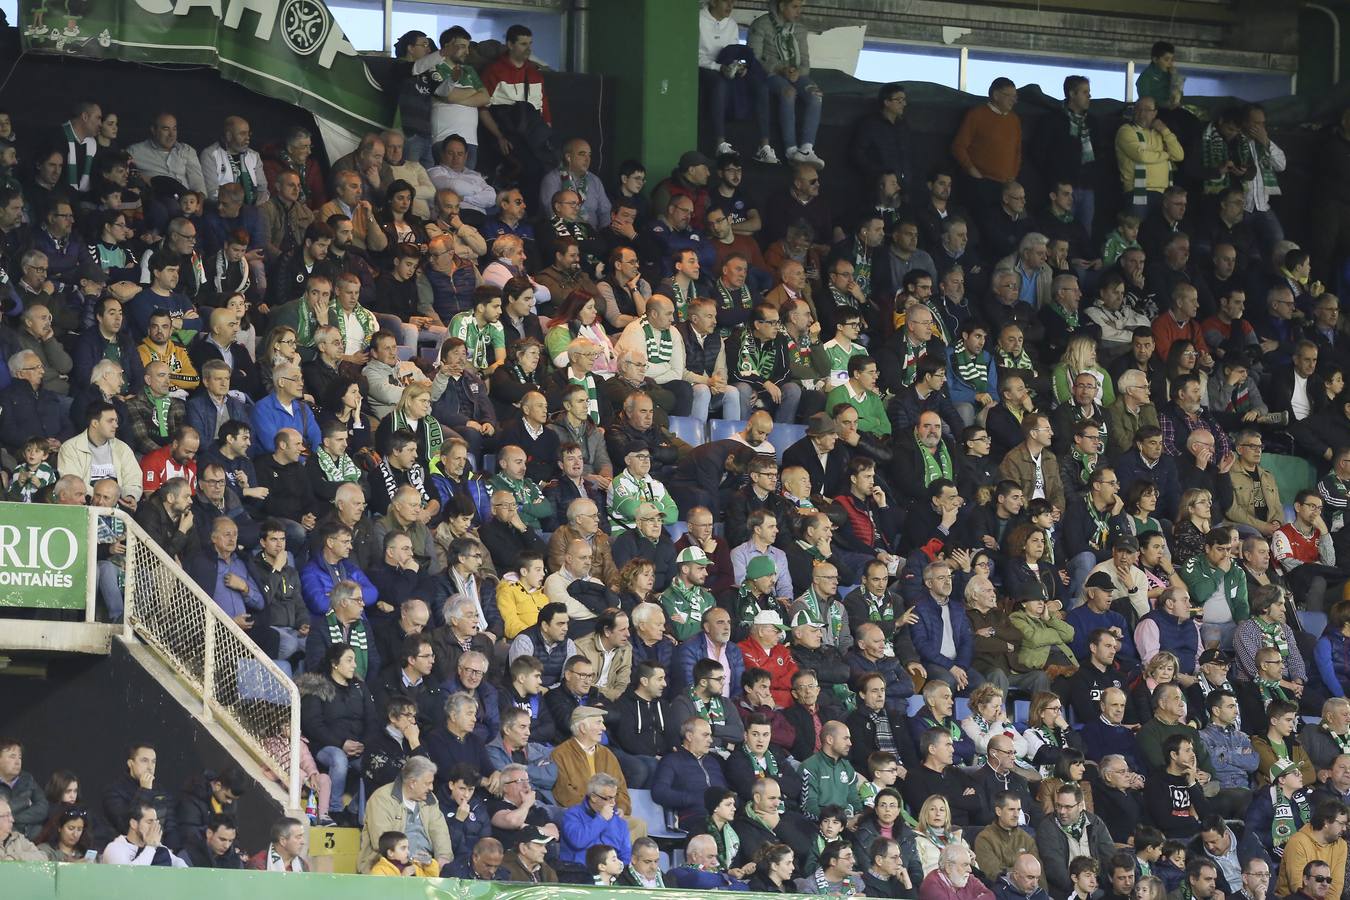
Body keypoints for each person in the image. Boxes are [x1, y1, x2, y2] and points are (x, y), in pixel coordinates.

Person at [100, 801, 187, 867]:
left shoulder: (159, 848)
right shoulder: (115, 848)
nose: (154, 826)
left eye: (156, 822)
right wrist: (150, 847)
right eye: (149, 822)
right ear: (134, 824)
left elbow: (182, 868)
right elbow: (128, 879)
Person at [918, 844, 995, 900]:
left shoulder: (968, 878)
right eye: (965, 865)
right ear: (948, 867)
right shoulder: (931, 886)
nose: (970, 870)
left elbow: (990, 895)